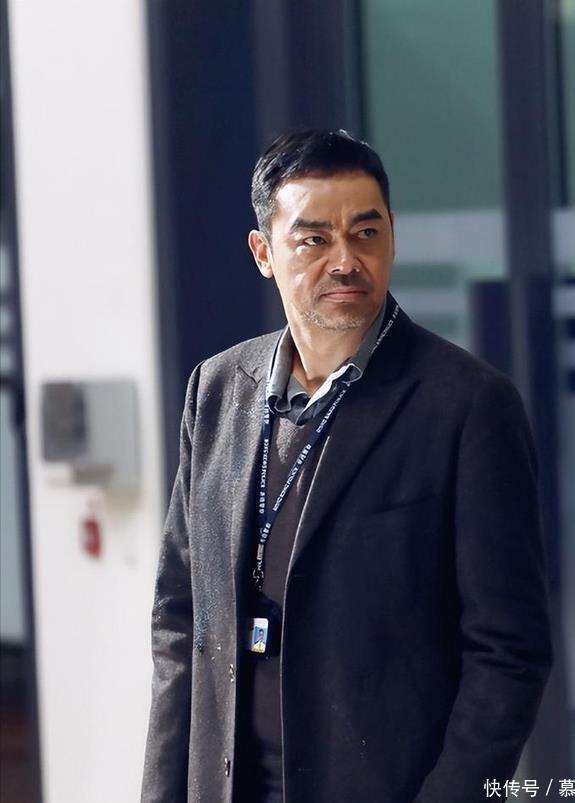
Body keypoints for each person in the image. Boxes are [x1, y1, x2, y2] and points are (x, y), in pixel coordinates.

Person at [142, 129, 553, 803]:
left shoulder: (466, 405)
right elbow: (180, 619)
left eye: (366, 233)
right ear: (264, 253)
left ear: (392, 236)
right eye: (314, 239)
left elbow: (509, 651)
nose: (345, 260)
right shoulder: (216, 389)